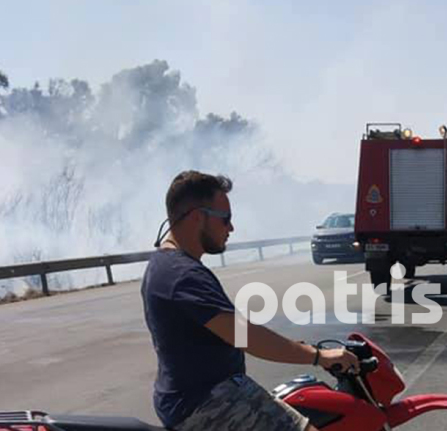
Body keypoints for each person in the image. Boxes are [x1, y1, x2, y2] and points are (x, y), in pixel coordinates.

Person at [141, 170, 359, 430]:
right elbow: (244, 336)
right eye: (225, 218)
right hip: (206, 402)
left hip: (195, 396)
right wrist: (318, 356)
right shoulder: (182, 274)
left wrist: (300, 347)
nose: (231, 228)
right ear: (198, 217)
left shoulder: (164, 263)